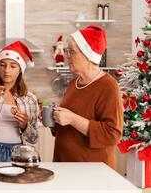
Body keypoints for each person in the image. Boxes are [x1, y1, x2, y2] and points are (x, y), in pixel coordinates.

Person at [51, 25, 123, 169]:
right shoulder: (74, 82)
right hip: (64, 165)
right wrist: (54, 118)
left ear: (88, 55)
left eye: (71, 51)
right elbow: (67, 127)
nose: (66, 56)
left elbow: (112, 134)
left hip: (91, 170)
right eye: (66, 51)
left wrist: (72, 118)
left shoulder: (108, 86)